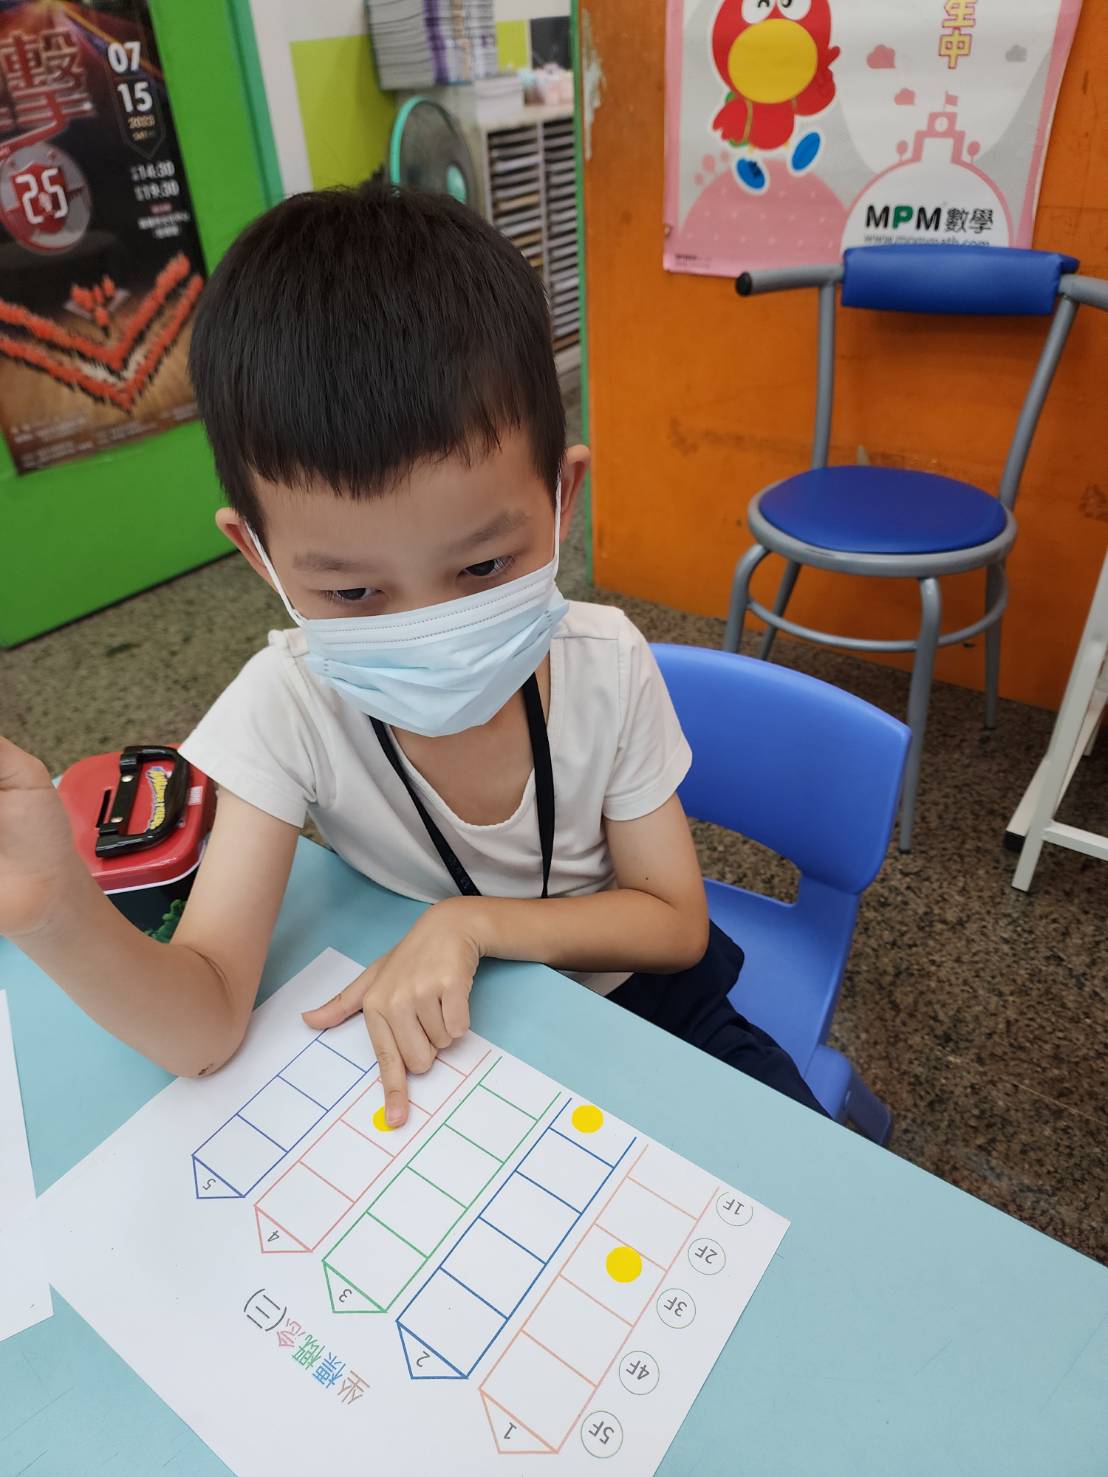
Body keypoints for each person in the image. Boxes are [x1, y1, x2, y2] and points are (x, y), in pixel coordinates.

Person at [0, 184, 823, 1122]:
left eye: (483, 566)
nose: (433, 627)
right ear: (257, 555)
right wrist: (56, 912)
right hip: (462, 1039)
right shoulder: (286, 706)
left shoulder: (606, 662)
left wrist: (470, 923)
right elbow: (205, 1022)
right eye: (354, 593)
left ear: (562, 499)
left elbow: (674, 923)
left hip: (647, 1004)